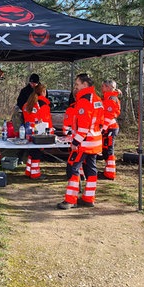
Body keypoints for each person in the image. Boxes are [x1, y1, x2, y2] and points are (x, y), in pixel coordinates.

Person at [57, 73, 104, 209]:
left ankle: (71, 200)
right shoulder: (97, 99)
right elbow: (100, 123)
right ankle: (89, 198)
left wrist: (75, 143)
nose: (75, 87)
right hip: (95, 142)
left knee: (73, 168)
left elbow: (83, 127)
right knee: (91, 170)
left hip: (84, 143)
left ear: (85, 84)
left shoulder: (84, 101)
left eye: (77, 84)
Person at [22, 84, 53, 179]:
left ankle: (28, 171)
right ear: (43, 92)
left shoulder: (27, 104)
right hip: (39, 133)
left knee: (31, 152)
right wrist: (51, 133)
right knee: (37, 153)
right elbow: (46, 121)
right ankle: (35, 173)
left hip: (28, 132)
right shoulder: (43, 105)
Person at [14, 73, 41, 164]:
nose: (32, 85)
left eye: (34, 83)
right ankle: (20, 156)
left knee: (37, 138)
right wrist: (25, 110)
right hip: (26, 118)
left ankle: (34, 155)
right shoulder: (24, 91)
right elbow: (19, 102)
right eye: (31, 83)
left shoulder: (41, 90)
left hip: (37, 119)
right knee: (24, 136)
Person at [100, 79, 121, 180]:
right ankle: (108, 170)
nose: (101, 88)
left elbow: (109, 115)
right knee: (105, 150)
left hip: (110, 128)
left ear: (108, 87)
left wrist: (103, 129)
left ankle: (110, 173)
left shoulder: (111, 99)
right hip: (108, 128)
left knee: (109, 150)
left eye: (103, 86)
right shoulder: (107, 98)